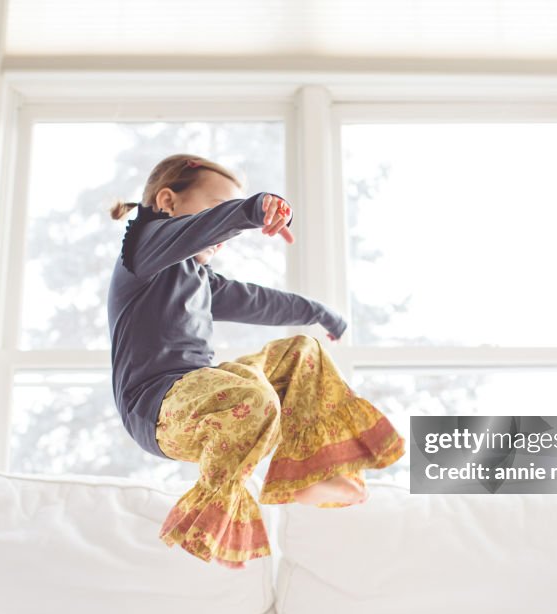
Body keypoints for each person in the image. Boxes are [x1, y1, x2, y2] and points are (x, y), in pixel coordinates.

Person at [107, 153, 405, 570]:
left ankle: (311, 473)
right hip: (156, 409)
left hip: (201, 392)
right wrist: (252, 209)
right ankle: (210, 518)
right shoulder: (144, 248)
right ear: (169, 203)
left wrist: (319, 312)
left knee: (301, 352)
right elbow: (200, 229)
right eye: (214, 208)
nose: (221, 233)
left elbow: (259, 301)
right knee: (253, 397)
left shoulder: (199, 280)